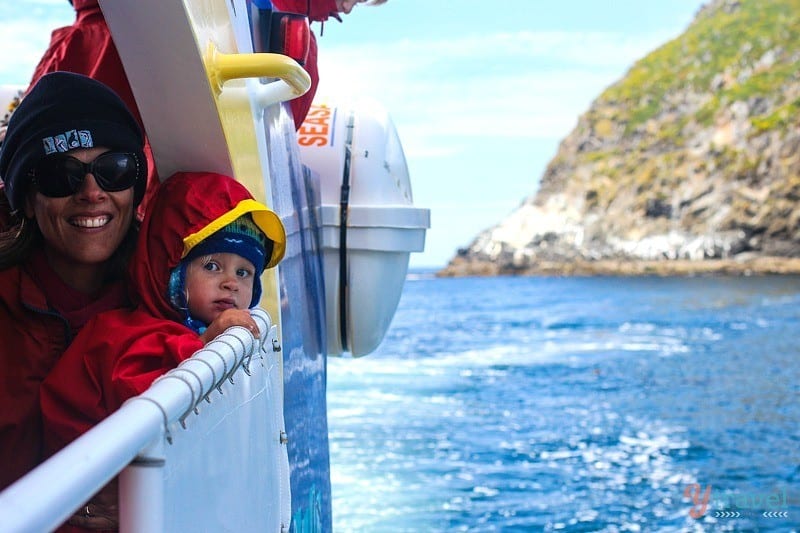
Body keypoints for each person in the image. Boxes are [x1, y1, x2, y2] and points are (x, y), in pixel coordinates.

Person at [39, 171, 286, 529]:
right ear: (171, 273)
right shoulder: (129, 338)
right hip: (85, 514)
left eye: (245, 272)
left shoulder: (172, 329)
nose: (231, 282)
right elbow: (159, 410)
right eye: (211, 266)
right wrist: (203, 349)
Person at [0, 71, 147, 491]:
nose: (90, 192)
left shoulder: (164, 301)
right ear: (26, 200)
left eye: (114, 170)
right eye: (60, 176)